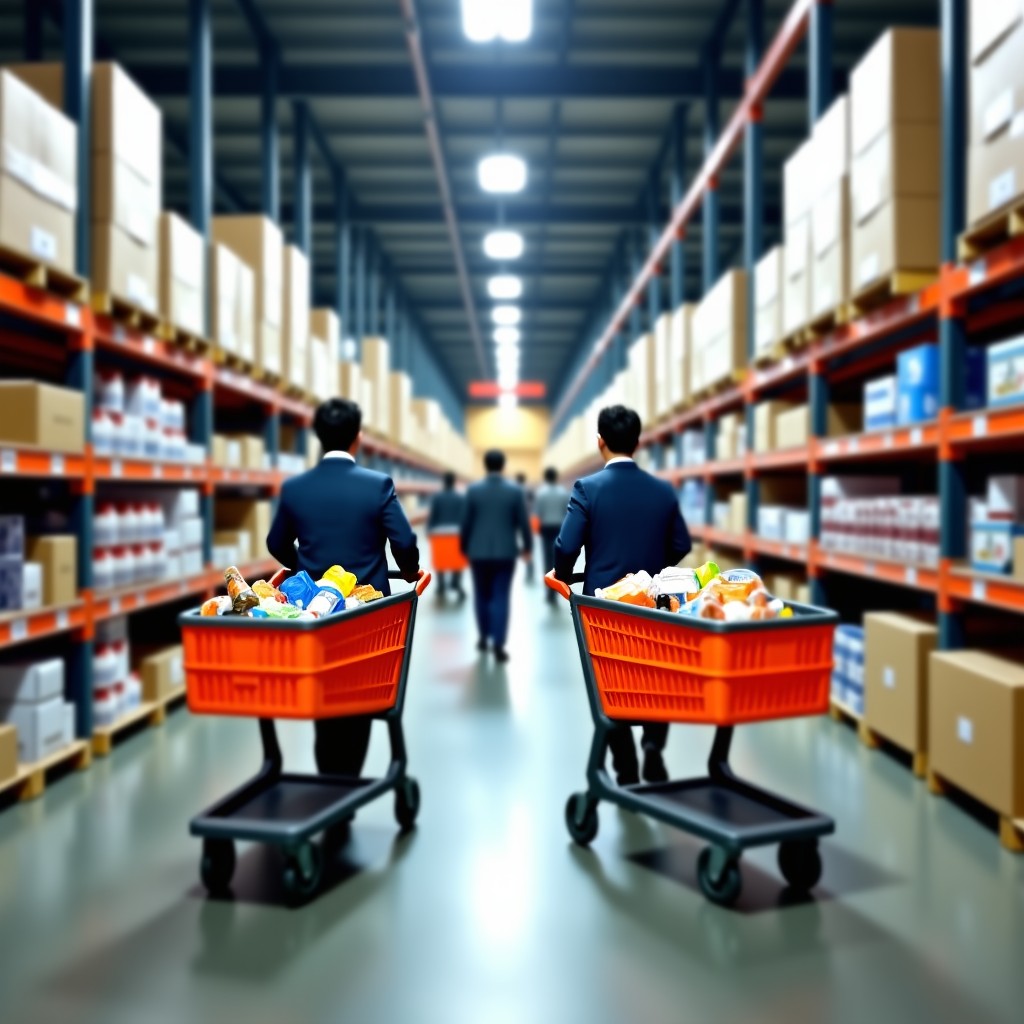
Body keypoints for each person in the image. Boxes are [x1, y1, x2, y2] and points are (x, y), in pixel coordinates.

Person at [267, 398, 420, 782]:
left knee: (326, 693)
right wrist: (409, 570)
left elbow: (276, 543)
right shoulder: (377, 486)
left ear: (318, 437)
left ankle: (331, 782)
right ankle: (345, 785)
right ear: (358, 438)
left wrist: (301, 565)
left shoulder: (295, 488)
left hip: (313, 614)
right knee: (359, 694)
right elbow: (403, 539)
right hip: (367, 617)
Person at [554, 405, 691, 785]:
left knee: (611, 679)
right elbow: (680, 542)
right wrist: (653, 573)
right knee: (656, 674)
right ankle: (653, 747)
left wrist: (563, 577)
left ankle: (625, 763)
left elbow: (567, 548)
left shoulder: (588, 489)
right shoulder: (662, 491)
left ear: (600, 441)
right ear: (638, 442)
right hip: (655, 602)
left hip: (604, 606)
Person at [461, 449, 532, 663]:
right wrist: (527, 547)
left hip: (478, 552)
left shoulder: (473, 490)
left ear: (485, 465)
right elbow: (523, 522)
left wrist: (464, 546)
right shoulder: (515, 491)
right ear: (502, 466)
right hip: (505, 552)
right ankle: (499, 645)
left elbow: (466, 522)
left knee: (481, 594)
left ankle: (483, 637)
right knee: (501, 596)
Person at [534, 467, 571, 605]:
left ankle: (549, 591)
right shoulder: (563, 493)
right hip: (559, 528)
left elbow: (538, 512)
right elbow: (567, 512)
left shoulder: (541, 493)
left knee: (547, 559)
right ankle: (556, 591)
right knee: (557, 560)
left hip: (546, 528)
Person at [427, 471, 466, 600]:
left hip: (439, 533)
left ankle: (441, 584)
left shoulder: (437, 497)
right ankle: (456, 582)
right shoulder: (460, 497)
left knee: (441, 560)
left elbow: (433, 515)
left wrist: (429, 530)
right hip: (456, 533)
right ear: (454, 482)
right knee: (457, 560)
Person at [515, 472, 536, 583]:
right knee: (528, 548)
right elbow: (533, 503)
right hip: (527, 520)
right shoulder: (528, 490)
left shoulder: (514, 491)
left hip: (515, 522)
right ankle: (530, 572)